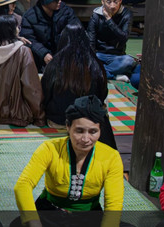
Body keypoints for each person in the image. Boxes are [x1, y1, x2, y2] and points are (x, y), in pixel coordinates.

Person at [14, 96, 124, 227]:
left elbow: (113, 203)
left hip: (89, 216)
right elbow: (23, 185)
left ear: (100, 130)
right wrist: (34, 221)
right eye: (79, 131)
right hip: (50, 212)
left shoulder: (111, 157)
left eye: (93, 131)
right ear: (68, 127)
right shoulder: (50, 149)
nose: (86, 139)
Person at [41, 22, 116, 148]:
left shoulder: (55, 63)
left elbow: (45, 93)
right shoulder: (95, 63)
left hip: (58, 119)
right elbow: (102, 94)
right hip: (88, 118)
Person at [0, 15, 43, 127]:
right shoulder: (23, 52)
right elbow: (31, 88)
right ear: (13, 30)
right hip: (18, 114)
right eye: (17, 26)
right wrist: (39, 116)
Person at [20, 0, 79, 71]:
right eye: (55, 0)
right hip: (41, 58)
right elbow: (29, 39)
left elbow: (76, 30)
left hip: (64, 54)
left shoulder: (65, 11)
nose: (59, 1)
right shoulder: (30, 16)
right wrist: (43, 53)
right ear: (46, 2)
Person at [87, 0, 138, 81]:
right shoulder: (96, 15)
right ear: (102, 2)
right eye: (109, 2)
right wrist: (92, 59)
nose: (112, 5)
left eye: (115, 1)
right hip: (99, 54)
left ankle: (102, 72)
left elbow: (124, 37)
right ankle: (114, 75)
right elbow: (91, 41)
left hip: (117, 56)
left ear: (120, 0)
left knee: (129, 61)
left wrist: (109, 20)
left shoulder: (126, 14)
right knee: (84, 60)